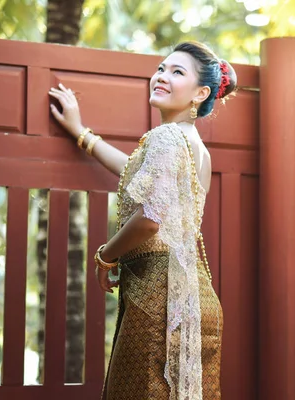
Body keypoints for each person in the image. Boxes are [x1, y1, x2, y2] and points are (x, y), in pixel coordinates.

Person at [48, 41, 237, 400]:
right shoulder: (195, 146)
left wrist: (106, 255)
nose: (162, 76)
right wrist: (82, 134)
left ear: (201, 93)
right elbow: (133, 172)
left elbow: (151, 217)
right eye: (162, 68)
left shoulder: (165, 137)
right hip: (195, 300)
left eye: (177, 72)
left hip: (157, 295)